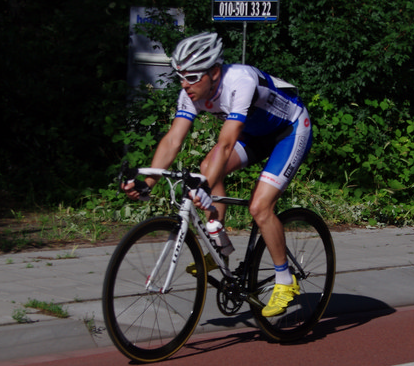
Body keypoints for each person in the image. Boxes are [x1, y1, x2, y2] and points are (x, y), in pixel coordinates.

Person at [122, 31, 314, 317]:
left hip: (290, 130)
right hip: (254, 135)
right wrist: (148, 181)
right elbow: (173, 140)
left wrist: (204, 187)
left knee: (259, 207)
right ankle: (220, 246)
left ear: (214, 72)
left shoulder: (240, 81)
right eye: (180, 77)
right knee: (206, 169)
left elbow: (225, 144)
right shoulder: (191, 92)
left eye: (192, 77)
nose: (185, 84)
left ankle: (285, 281)